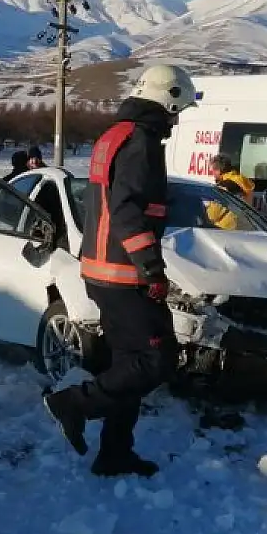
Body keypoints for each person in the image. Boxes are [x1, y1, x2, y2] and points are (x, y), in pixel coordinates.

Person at [42, 64, 197, 478]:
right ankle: (73, 403)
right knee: (156, 360)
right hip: (124, 273)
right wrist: (151, 267)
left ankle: (114, 453)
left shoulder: (115, 135)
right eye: (178, 109)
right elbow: (128, 209)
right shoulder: (141, 141)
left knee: (128, 365)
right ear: (170, 98)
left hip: (102, 269)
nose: (177, 118)